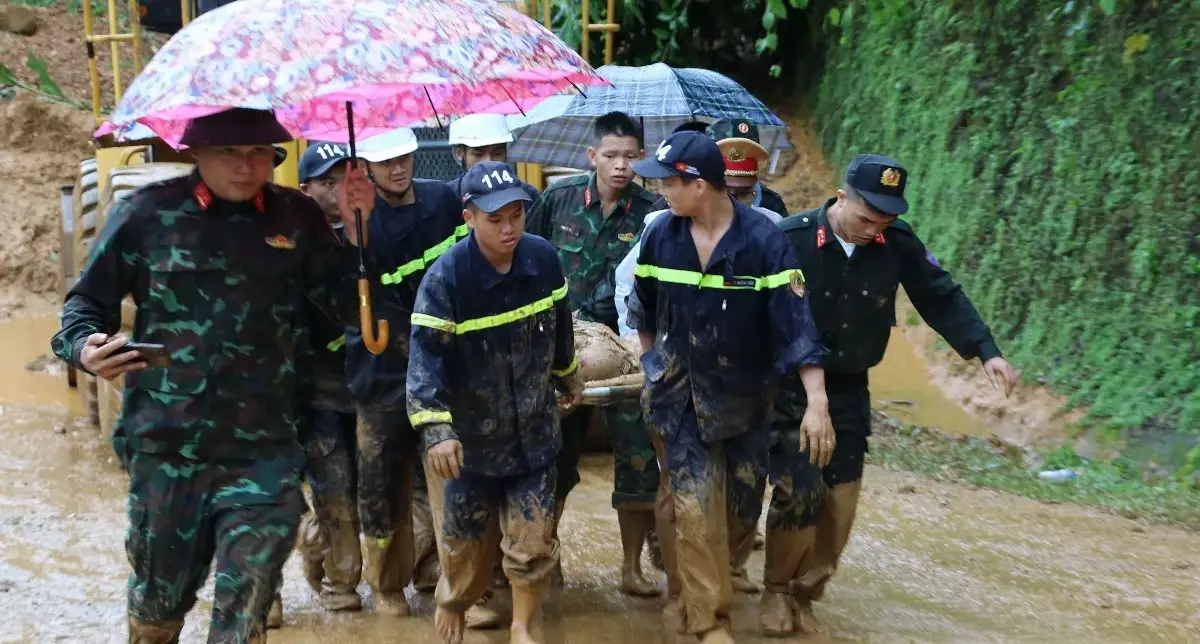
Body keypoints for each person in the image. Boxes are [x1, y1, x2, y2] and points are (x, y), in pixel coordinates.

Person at [49, 107, 375, 643]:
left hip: (265, 451)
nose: (246, 167)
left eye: (258, 153)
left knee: (244, 614)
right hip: (169, 448)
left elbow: (349, 308)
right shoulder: (146, 215)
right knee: (158, 613)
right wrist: (84, 347)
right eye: (229, 152)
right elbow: (85, 303)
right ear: (195, 153)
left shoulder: (296, 218)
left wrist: (359, 234)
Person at [767, 154, 1019, 635]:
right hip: (791, 385)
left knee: (841, 499)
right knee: (800, 489)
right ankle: (777, 588)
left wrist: (986, 351)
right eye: (867, 218)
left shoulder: (896, 243)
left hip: (849, 386)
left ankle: (806, 590)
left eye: (885, 221)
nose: (874, 230)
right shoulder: (790, 239)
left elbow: (940, 295)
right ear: (841, 198)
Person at [626, 130, 832, 643]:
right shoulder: (661, 235)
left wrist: (817, 402)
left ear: (698, 184)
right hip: (678, 399)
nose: (661, 192)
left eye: (668, 182)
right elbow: (642, 309)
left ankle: (696, 593)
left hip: (745, 402)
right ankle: (709, 622)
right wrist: (653, 365)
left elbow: (797, 326)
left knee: (740, 511)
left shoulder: (764, 241)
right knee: (694, 508)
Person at [407, 161, 584, 644]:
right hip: (472, 439)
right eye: (495, 219)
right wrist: (437, 432)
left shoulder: (543, 259)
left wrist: (568, 375)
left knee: (533, 539)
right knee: (464, 541)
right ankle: (454, 599)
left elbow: (560, 328)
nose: (509, 228)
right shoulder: (446, 279)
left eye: (516, 215)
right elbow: (424, 363)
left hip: (535, 429)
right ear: (469, 218)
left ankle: (522, 625)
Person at [525, 111, 661, 596]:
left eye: (629, 156)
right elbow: (528, 256)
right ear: (592, 156)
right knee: (555, 457)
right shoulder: (557, 199)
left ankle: (631, 568)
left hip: (624, 350)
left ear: (641, 156)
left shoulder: (653, 213)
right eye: (610, 155)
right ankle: (547, 557)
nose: (621, 165)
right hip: (560, 349)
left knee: (638, 457)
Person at [346, 126, 466, 616]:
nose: (397, 169)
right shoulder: (358, 224)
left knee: (452, 476)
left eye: (404, 158)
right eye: (386, 162)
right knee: (381, 483)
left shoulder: (442, 202)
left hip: (442, 365)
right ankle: (385, 585)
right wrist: (353, 237)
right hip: (382, 374)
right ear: (367, 169)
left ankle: (456, 586)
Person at [292, 141, 365, 613]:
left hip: (370, 386)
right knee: (334, 487)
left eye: (346, 179)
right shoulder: (289, 245)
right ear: (305, 190)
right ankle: (342, 584)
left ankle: (319, 548)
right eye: (327, 182)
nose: (339, 190)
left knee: (371, 489)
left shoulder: (368, 235)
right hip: (316, 391)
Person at [650, 118, 789, 217]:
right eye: (726, 191)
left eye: (745, 193)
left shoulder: (771, 209)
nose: (735, 202)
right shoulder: (670, 209)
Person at [445, 113, 540, 201]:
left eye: (497, 153)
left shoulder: (527, 196)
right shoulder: (446, 198)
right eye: (478, 154)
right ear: (460, 153)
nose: (488, 162)